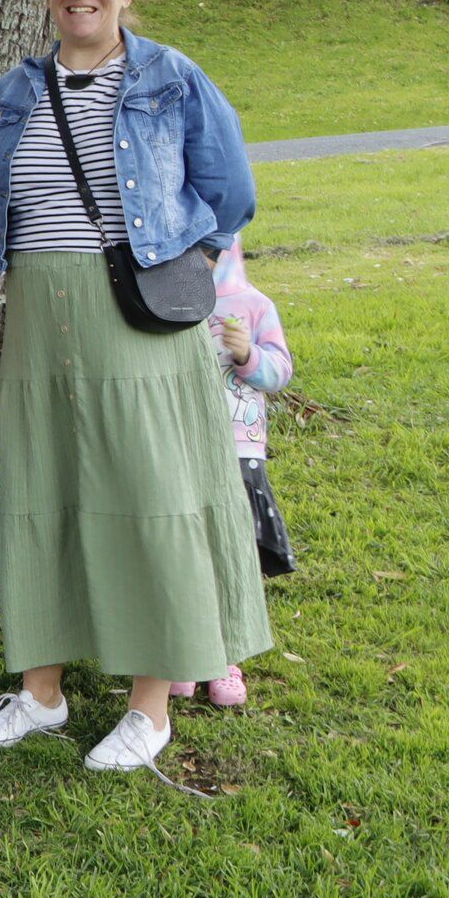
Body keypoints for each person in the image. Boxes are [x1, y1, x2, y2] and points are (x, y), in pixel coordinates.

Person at [0, 0, 268, 774]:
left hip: (139, 318)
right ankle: (43, 693)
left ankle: (149, 706)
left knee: (149, 495)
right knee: (41, 490)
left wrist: (181, 262)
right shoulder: (15, 92)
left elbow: (231, 193)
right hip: (39, 318)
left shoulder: (173, 78)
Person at [177, 244, 297, 708]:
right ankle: (188, 654)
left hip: (240, 451)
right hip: (185, 445)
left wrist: (248, 354)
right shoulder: (172, 299)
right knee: (189, 547)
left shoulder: (255, 304)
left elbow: (280, 370)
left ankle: (226, 656)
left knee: (232, 549)